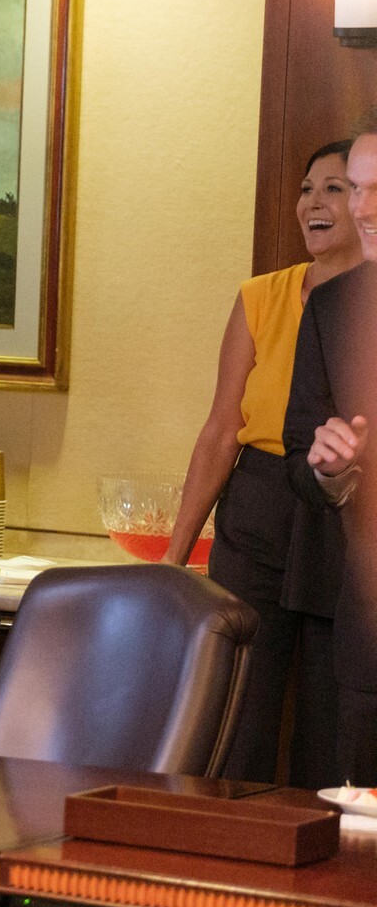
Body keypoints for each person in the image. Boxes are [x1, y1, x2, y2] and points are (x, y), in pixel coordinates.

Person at [162, 141, 362, 786]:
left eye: (334, 188)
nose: (313, 203)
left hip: (342, 508)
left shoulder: (365, 301)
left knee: (331, 714)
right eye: (307, 189)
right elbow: (222, 429)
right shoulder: (262, 295)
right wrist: (174, 557)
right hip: (259, 502)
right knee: (239, 706)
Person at [285, 110, 377, 784]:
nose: (363, 209)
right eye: (359, 188)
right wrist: (330, 471)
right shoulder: (332, 308)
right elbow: (299, 455)